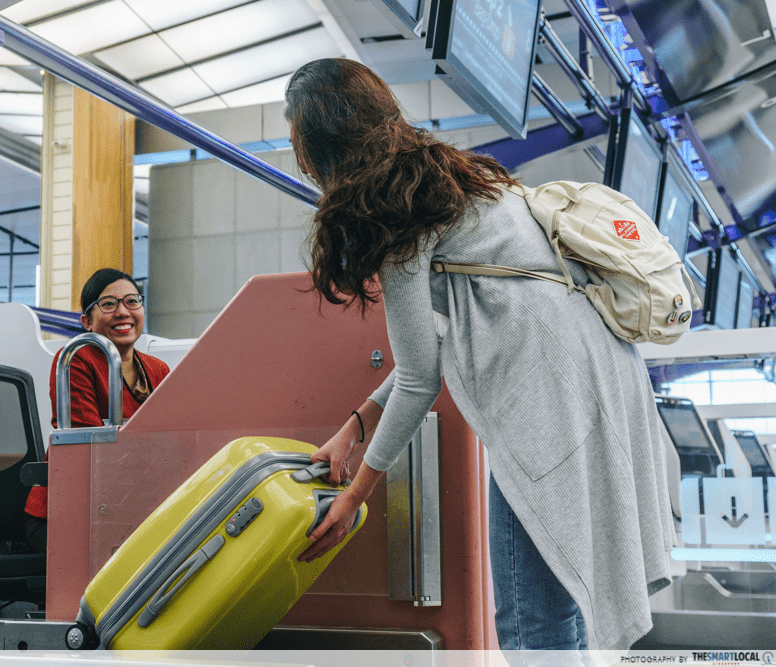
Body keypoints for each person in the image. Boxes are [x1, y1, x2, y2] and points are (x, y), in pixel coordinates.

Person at [286, 59, 675, 654]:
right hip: (597, 371)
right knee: (560, 598)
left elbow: (419, 378)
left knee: (529, 618)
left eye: (296, 137)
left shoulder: (396, 213)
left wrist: (354, 496)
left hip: (547, 397)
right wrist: (354, 428)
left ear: (323, 139)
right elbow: (430, 352)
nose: (297, 156)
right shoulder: (451, 179)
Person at [24, 268, 170, 554]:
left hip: (126, 509)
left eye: (132, 301)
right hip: (65, 515)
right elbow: (88, 448)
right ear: (87, 321)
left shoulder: (158, 369)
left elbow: (170, 441)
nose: (123, 312)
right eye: (108, 304)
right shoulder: (75, 358)